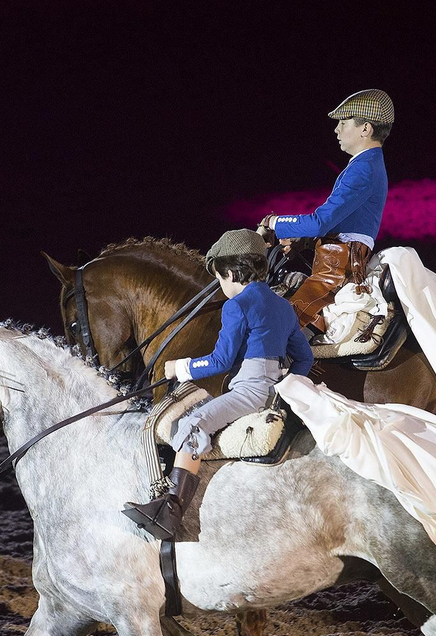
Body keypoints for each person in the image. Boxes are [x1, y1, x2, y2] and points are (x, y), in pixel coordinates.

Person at [122, 229, 314, 541]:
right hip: (274, 389)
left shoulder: (237, 305)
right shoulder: (282, 307)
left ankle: (170, 510)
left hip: (249, 390)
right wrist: (286, 386)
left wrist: (179, 367)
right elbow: (303, 357)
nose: (221, 286)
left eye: (220, 278)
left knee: (193, 422)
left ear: (228, 272)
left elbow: (221, 362)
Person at [259, 88, 393, 331]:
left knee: (277, 328)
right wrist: (305, 241)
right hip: (336, 259)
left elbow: (319, 222)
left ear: (366, 129)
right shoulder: (366, 165)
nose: (336, 130)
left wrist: (273, 222)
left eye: (343, 122)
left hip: (336, 269)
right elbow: (339, 226)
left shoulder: (363, 169)